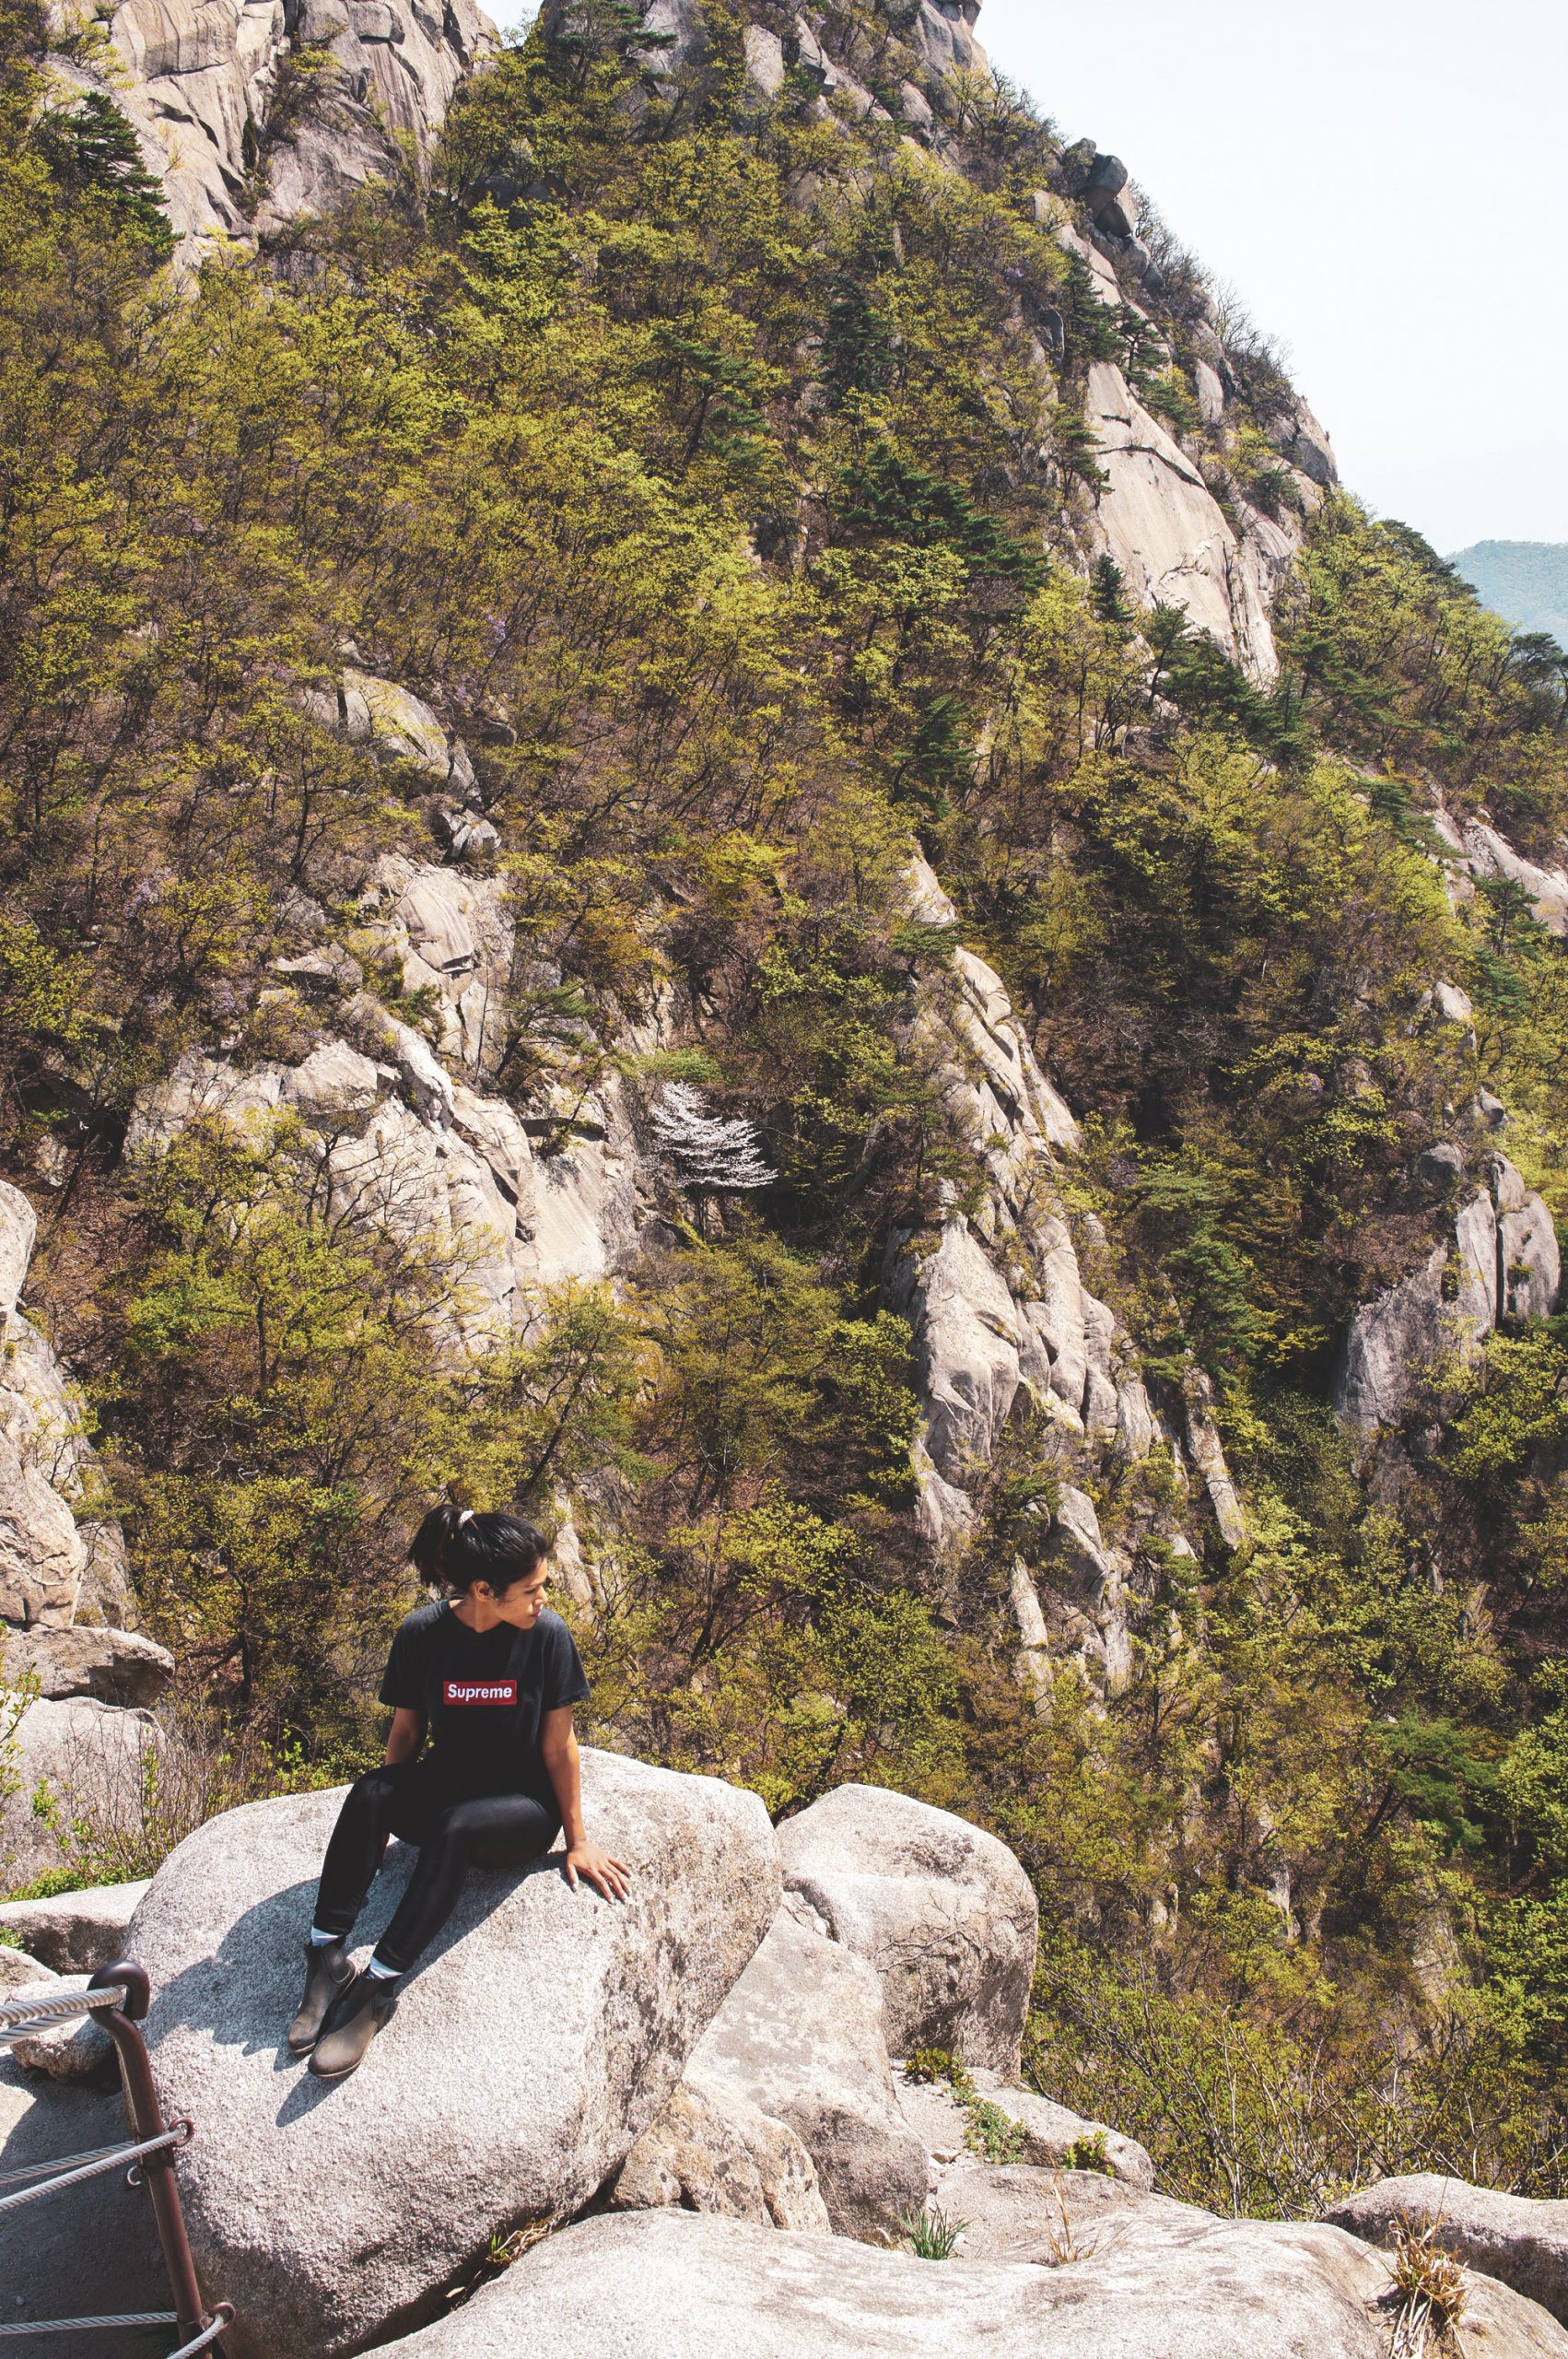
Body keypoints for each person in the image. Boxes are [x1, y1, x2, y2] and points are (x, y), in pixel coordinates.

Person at [287, 1505, 629, 2081]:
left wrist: (578, 1839)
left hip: (519, 1809)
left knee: (458, 1826)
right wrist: (382, 1824)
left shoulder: (546, 1637)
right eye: (531, 1590)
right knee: (372, 1791)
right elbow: (406, 1731)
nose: (543, 1599)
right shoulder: (422, 1633)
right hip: (447, 1786)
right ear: (483, 1590)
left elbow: (559, 1747)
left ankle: (378, 1988)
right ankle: (327, 1957)